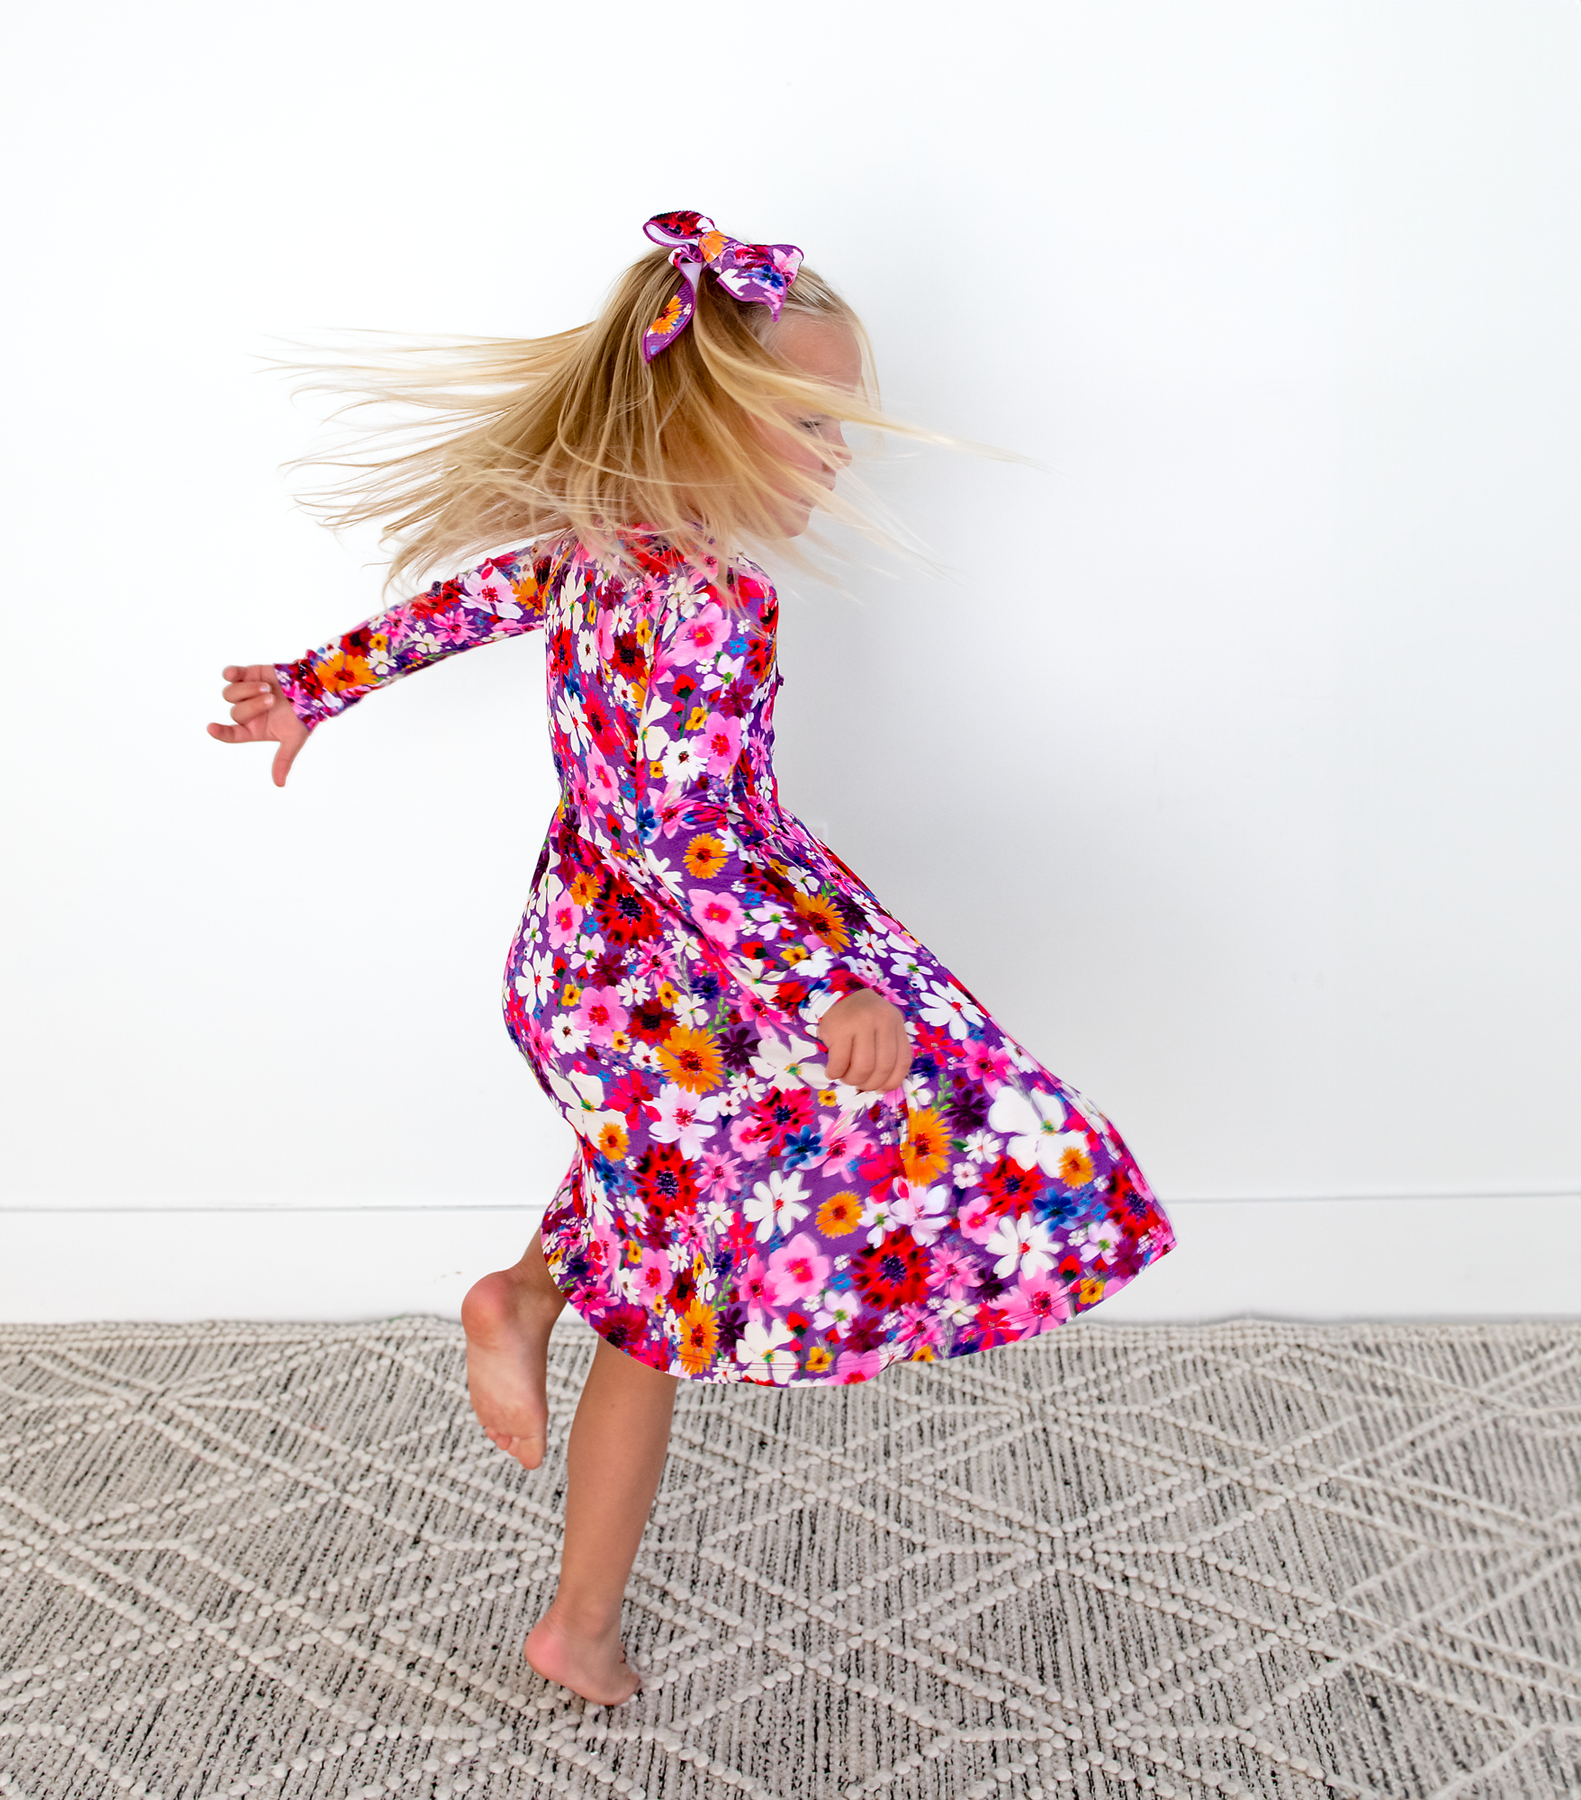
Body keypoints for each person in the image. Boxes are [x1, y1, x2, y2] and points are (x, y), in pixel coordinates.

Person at [209, 211, 1177, 1706]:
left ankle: (526, 1302)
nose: (839, 459)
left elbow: (464, 606)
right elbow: (684, 830)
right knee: (672, 1299)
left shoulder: (599, 547)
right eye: (812, 422)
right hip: (683, 978)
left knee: (663, 1200)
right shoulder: (715, 598)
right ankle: (577, 1618)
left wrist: (313, 685)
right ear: (702, 416)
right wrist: (822, 983)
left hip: (589, 966)